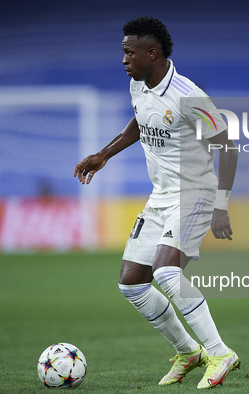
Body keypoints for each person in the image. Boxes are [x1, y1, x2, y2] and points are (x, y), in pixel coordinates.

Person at [74, 16, 239, 389]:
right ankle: (189, 352)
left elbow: (227, 147)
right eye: (123, 53)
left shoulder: (189, 95)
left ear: (153, 53)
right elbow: (139, 122)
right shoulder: (139, 86)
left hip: (195, 192)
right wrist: (103, 155)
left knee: (166, 273)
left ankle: (220, 352)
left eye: (129, 53)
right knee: (132, 283)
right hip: (162, 195)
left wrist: (221, 203)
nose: (123, 60)